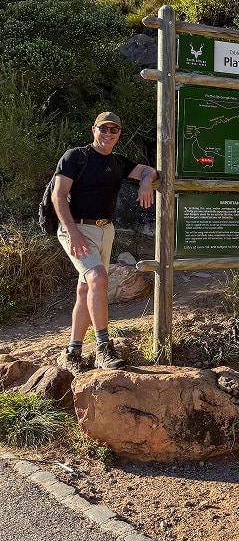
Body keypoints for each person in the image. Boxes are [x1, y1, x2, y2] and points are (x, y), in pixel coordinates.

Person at [52, 111, 157, 373]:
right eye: (103, 128)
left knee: (85, 289)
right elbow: (58, 196)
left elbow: (149, 170)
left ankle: (73, 353)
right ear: (94, 130)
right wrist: (74, 233)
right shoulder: (75, 157)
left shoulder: (118, 162)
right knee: (98, 278)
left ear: (119, 134)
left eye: (114, 129)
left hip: (105, 230)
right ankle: (103, 349)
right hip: (76, 228)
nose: (108, 133)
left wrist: (146, 181)